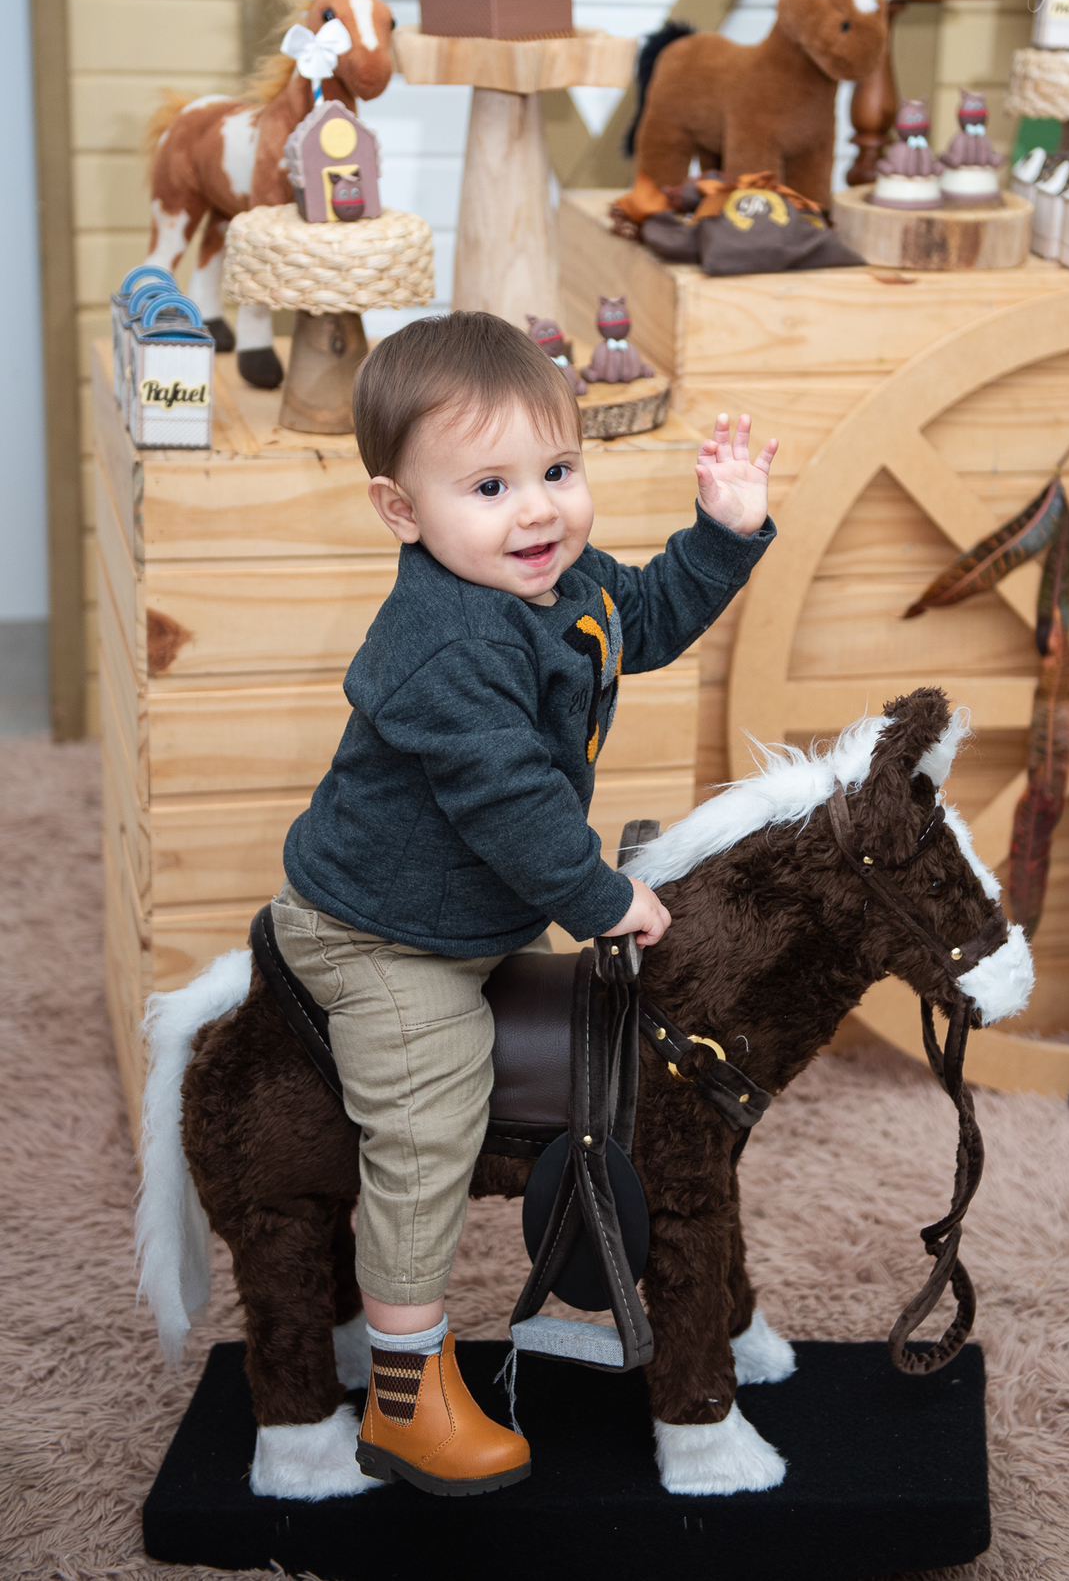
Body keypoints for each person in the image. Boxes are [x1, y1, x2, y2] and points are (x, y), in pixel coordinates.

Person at [271, 311, 777, 1495]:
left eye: (558, 470)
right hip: (381, 936)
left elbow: (643, 620)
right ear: (401, 509)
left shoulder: (556, 578)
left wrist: (723, 535)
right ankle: (406, 1391)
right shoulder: (443, 642)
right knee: (429, 1118)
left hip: (468, 913)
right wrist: (601, 897)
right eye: (491, 486)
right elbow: (509, 801)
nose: (539, 511)